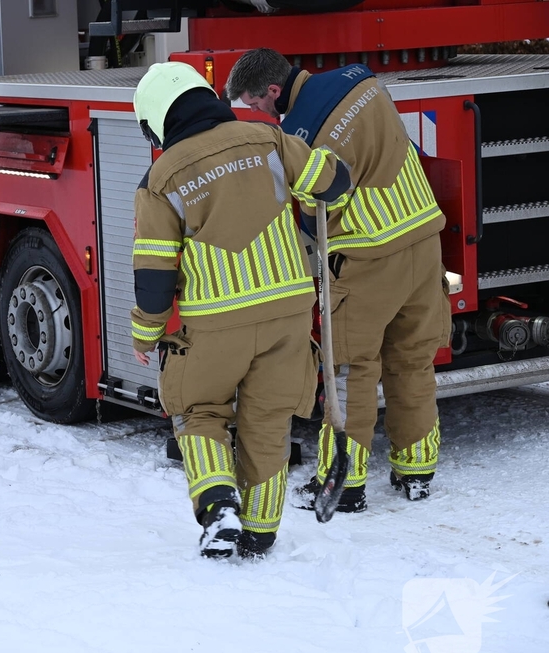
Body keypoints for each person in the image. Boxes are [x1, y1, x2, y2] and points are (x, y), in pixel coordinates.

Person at [131, 62, 351, 558]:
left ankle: (218, 506)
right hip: (288, 318)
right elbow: (333, 182)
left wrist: (145, 335)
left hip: (213, 326)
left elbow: (155, 276)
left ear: (158, 119)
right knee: (268, 424)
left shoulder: (160, 178)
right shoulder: (268, 139)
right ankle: (259, 535)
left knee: (198, 412)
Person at [226, 48, 451, 511]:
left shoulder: (299, 135)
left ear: (272, 91)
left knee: (352, 371)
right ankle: (417, 472)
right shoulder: (361, 79)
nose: (256, 113)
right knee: (412, 359)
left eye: (254, 104)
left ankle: (343, 485)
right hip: (425, 236)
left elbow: (316, 213)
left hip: (368, 257)